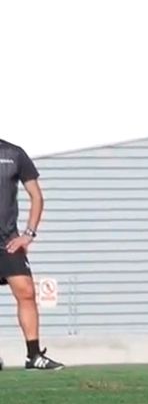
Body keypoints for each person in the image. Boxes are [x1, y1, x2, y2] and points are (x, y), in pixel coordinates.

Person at [0, 139, 63, 370]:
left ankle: (34, 356)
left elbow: (36, 196)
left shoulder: (13, 153)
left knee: (26, 291)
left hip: (7, 242)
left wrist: (28, 234)